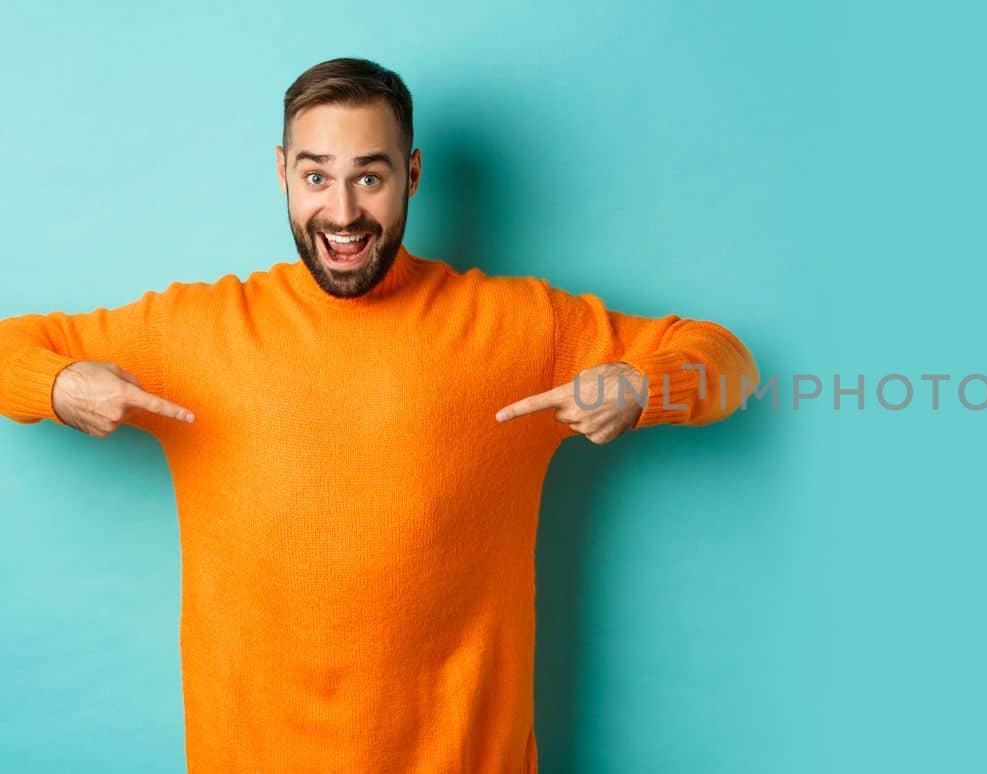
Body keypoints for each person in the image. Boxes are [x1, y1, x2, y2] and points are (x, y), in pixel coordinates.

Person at [0, 57, 758, 773]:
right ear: (281, 175)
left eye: (370, 176)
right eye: (316, 176)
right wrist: (60, 384)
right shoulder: (198, 330)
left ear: (412, 176)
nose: (343, 212)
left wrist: (640, 385)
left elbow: (729, 363)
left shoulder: (518, 325)